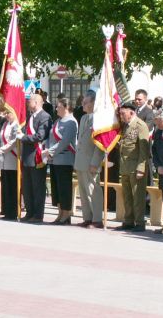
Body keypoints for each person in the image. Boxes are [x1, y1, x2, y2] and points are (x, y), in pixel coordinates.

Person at [115, 101, 150, 232]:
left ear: (132, 112)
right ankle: (128, 220)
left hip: (135, 167)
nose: (121, 116)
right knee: (127, 196)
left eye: (123, 113)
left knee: (137, 196)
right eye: (120, 113)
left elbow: (144, 149)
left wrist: (141, 168)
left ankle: (140, 222)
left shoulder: (140, 125)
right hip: (125, 166)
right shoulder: (125, 126)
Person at [17, 94, 52, 223]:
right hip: (27, 156)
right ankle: (29, 212)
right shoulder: (30, 116)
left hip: (37, 157)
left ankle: (38, 215)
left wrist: (23, 137)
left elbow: (40, 136)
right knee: (27, 187)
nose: (27, 102)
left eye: (29, 100)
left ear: (36, 102)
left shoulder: (45, 117)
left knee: (38, 188)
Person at [73, 90, 105, 228]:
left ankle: (97, 219)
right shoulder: (84, 118)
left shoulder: (99, 119)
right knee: (84, 191)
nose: (83, 105)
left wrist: (95, 162)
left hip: (91, 161)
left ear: (93, 103)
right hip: (81, 160)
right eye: (83, 102)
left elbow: (100, 144)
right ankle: (87, 217)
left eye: (86, 102)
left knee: (93, 190)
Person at [44, 97, 78, 225]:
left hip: (64, 159)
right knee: (56, 188)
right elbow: (51, 137)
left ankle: (66, 214)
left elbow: (64, 142)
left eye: (58, 106)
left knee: (64, 188)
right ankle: (60, 213)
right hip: (54, 160)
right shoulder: (58, 121)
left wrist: (50, 151)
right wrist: (48, 149)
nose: (56, 108)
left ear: (66, 107)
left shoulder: (71, 122)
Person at [0, 107, 20, 220]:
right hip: (4, 159)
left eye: (9, 113)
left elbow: (14, 141)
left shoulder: (17, 125)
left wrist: (3, 149)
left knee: (12, 185)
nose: (6, 115)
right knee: (6, 185)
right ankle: (6, 210)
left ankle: (13, 212)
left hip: (12, 158)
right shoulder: (5, 124)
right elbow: (0, 138)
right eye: (5, 113)